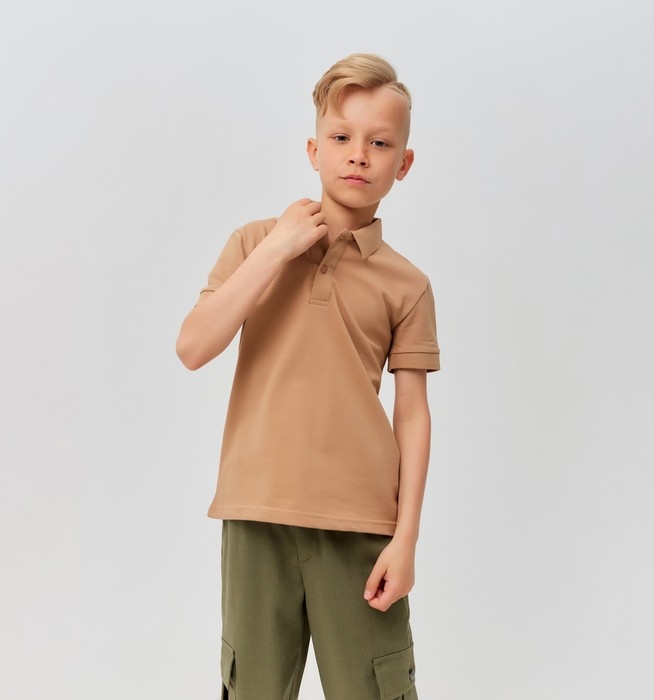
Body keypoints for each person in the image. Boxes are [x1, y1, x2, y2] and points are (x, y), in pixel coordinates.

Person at [176, 52, 440, 699]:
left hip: (362, 524)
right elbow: (193, 346)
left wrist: (406, 540)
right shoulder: (254, 243)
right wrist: (278, 249)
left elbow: (412, 414)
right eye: (341, 137)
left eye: (380, 143)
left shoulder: (407, 285)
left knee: (374, 687)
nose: (358, 156)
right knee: (253, 688)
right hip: (256, 508)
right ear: (314, 150)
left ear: (403, 163)